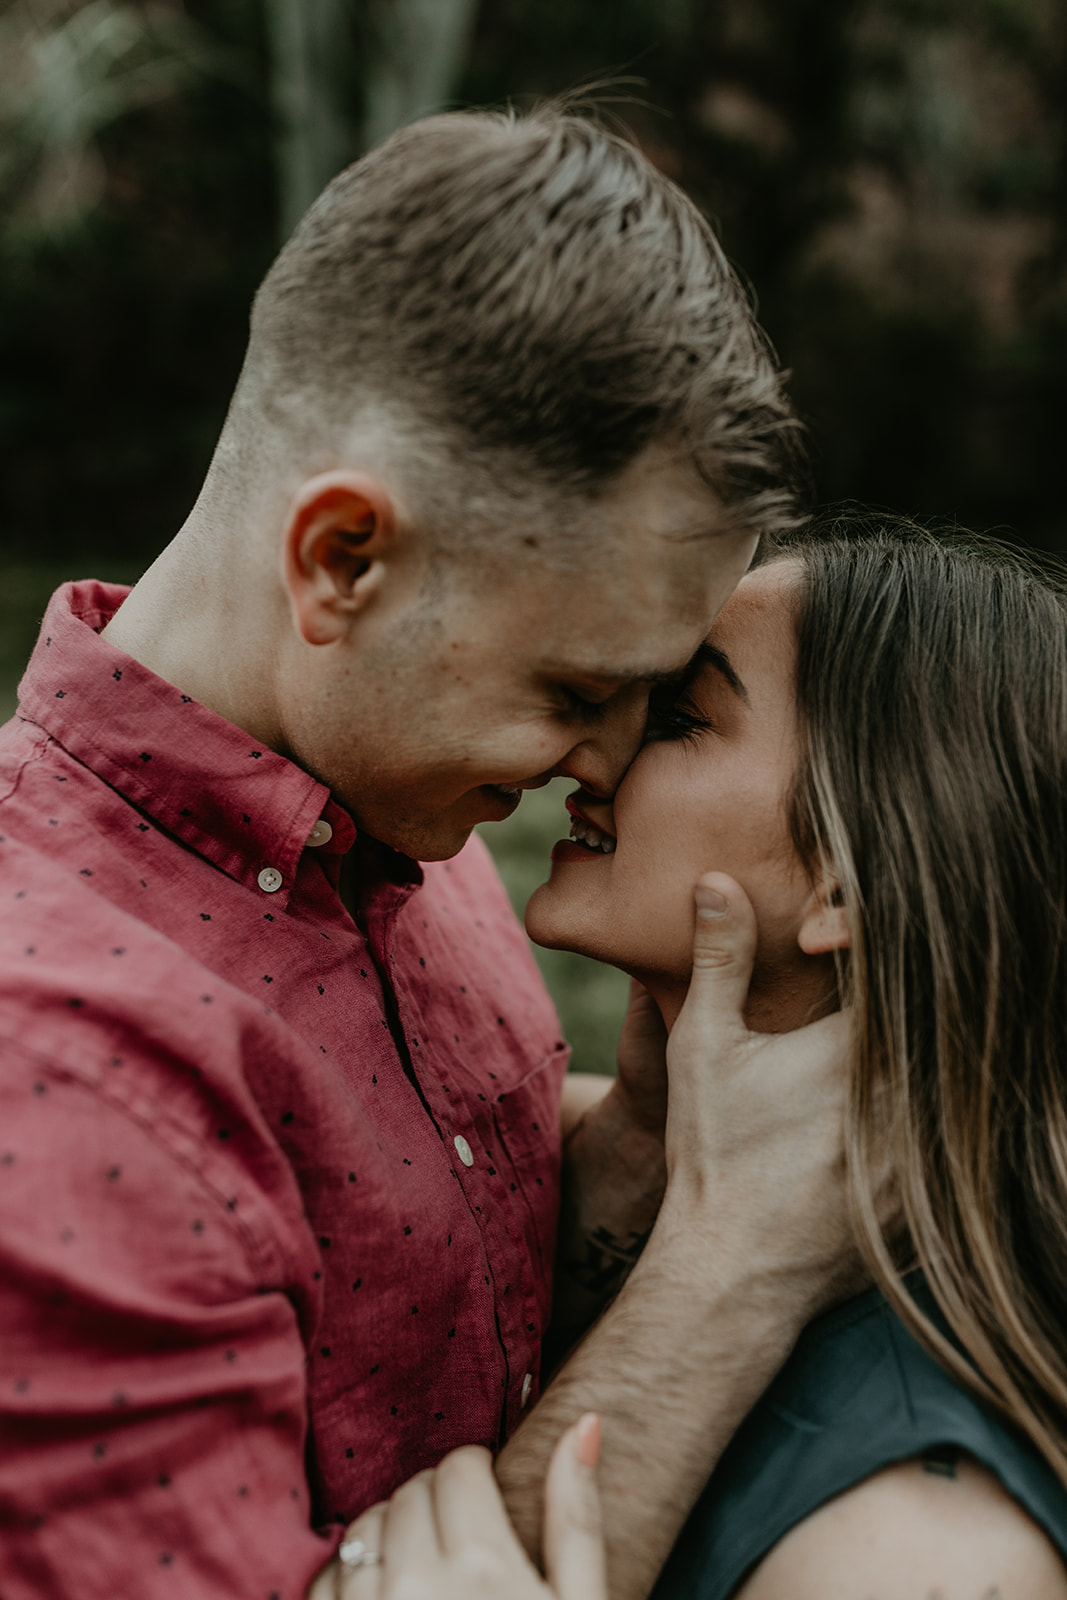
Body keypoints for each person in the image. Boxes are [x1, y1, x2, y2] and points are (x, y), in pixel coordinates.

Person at [0, 107, 858, 1600]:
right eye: (576, 693)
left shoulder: (402, 808)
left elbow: (433, 1281)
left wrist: (647, 1142)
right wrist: (744, 1263)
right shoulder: (60, 1077)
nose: (605, 765)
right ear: (344, 560)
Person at [525, 515, 1067, 1598]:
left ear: (842, 883)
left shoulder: (913, 1558)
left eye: (676, 714)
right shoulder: (628, 1139)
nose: (590, 749)